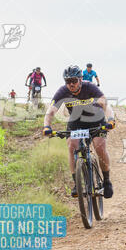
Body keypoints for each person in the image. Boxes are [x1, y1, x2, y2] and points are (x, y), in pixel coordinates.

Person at [42, 64, 115, 199]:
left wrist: (110, 119)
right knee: (71, 146)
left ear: (81, 80)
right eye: (68, 81)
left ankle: (106, 180)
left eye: (74, 81)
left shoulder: (90, 87)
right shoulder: (62, 91)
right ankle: (77, 183)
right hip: (76, 121)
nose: (71, 84)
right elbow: (51, 111)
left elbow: (105, 104)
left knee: (100, 146)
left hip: (96, 119)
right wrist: (47, 126)